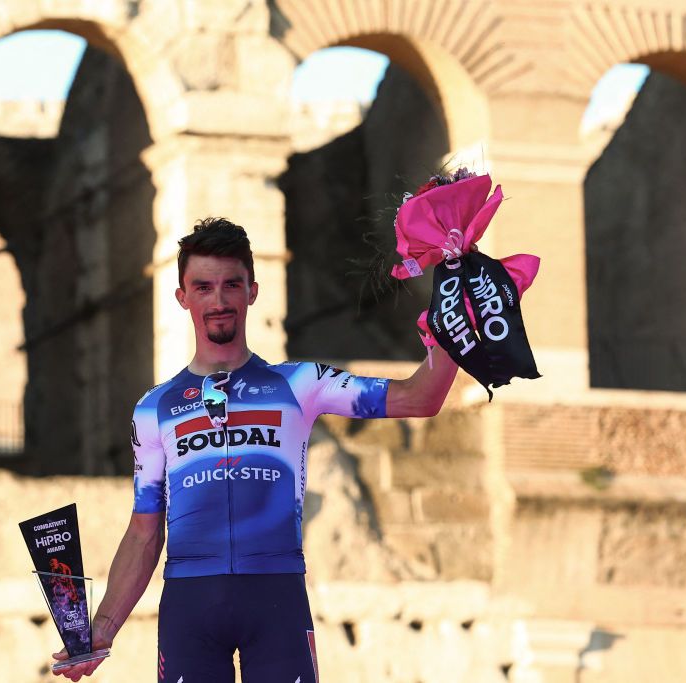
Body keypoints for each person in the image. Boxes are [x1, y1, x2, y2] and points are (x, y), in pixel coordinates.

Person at [53, 217, 458, 682]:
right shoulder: (153, 409)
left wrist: (453, 323)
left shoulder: (300, 384)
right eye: (203, 287)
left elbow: (420, 398)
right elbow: (145, 533)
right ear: (182, 296)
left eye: (232, 285)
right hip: (190, 607)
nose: (219, 300)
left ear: (253, 291)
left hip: (277, 600)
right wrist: (100, 630)